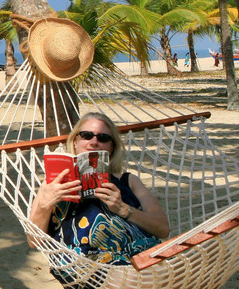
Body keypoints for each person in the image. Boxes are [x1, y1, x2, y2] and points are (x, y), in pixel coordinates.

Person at [28, 111, 170, 271]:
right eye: (86, 135)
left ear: (111, 147)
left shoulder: (129, 181)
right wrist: (45, 205)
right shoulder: (52, 184)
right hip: (85, 266)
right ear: (75, 142)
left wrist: (124, 209)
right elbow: (34, 241)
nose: (94, 142)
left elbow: (163, 229)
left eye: (103, 138)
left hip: (141, 257)